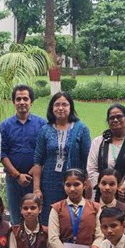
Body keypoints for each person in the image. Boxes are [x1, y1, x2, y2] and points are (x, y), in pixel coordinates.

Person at [31, 92, 92, 225]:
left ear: (70, 107)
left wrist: (87, 183)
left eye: (64, 104)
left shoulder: (81, 129)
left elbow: (88, 159)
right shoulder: (45, 130)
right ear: (52, 108)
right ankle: (52, 245)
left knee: (73, 217)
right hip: (49, 183)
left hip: (74, 182)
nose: (60, 108)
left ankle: (71, 245)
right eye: (57, 104)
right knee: (51, 218)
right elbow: (38, 161)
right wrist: (37, 188)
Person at [0, 85, 48, 224]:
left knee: (36, 217)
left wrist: (32, 172)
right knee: (16, 218)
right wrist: (17, 175)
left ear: (31, 102)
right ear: (13, 102)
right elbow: (2, 153)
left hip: (36, 180)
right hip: (13, 180)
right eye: (18, 99)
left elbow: (45, 151)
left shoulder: (42, 125)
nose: (22, 102)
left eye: (25, 99)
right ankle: (17, 245)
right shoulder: (5, 126)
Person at [87, 104, 125, 204]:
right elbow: (91, 168)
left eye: (119, 116)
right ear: (108, 122)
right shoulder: (98, 142)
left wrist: (122, 188)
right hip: (103, 194)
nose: (115, 120)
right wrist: (106, 187)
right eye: (111, 118)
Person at [95, 168, 125, 236]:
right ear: (98, 184)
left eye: (112, 184)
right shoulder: (91, 207)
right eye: (104, 183)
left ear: (118, 186)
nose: (107, 187)